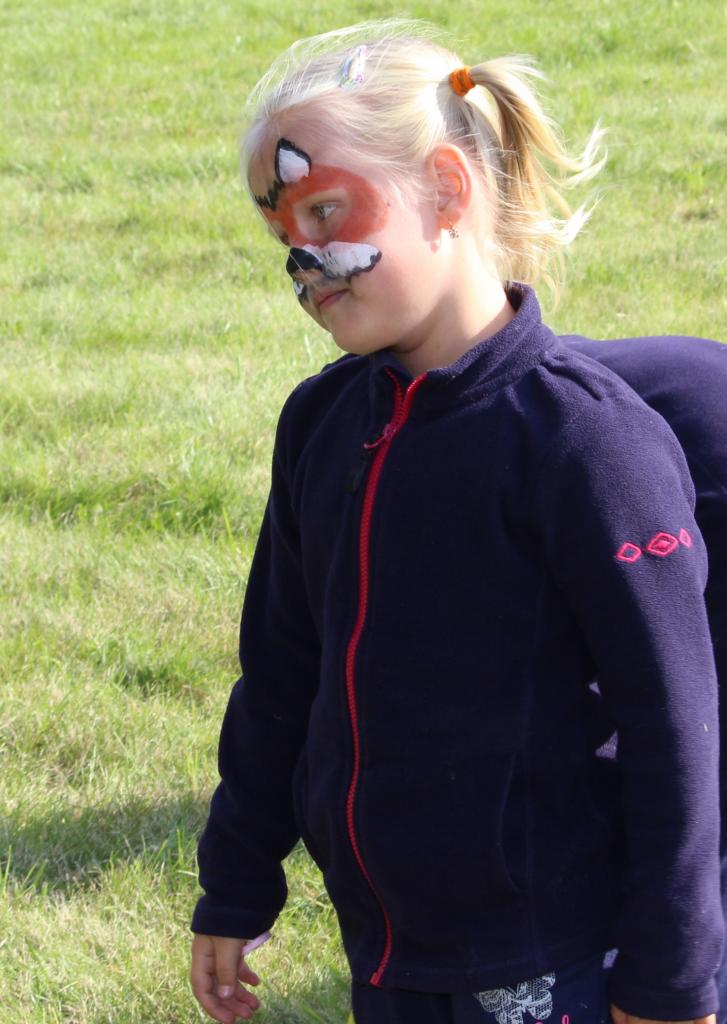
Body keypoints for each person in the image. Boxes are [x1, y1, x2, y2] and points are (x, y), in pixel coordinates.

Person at [188, 21, 724, 1024]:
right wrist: (236, 876)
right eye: (281, 237)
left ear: (445, 186)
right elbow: (281, 673)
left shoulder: (585, 440)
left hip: (559, 950)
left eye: (323, 210)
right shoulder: (320, 424)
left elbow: (675, 727)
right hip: (391, 952)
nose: (303, 259)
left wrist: (671, 973)